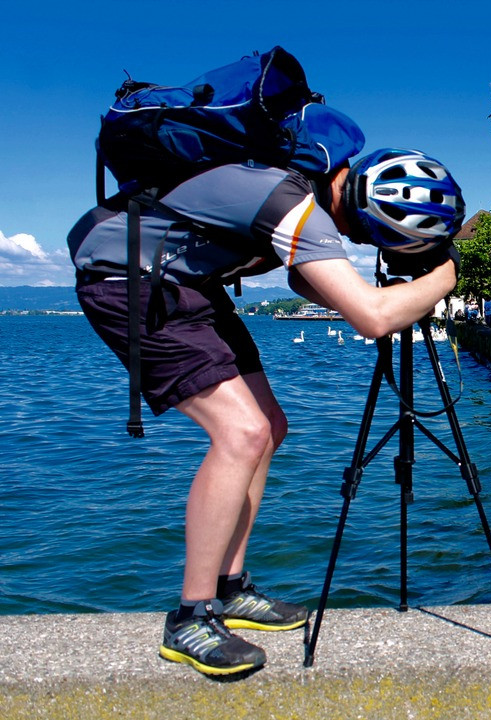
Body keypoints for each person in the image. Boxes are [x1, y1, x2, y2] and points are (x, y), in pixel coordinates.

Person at [68, 148, 463, 676]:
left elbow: (305, 280)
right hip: (129, 282)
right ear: (366, 209)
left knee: (269, 426)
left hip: (188, 285)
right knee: (242, 433)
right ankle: (190, 616)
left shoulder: (300, 194)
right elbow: (372, 319)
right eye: (371, 236)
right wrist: (444, 276)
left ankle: (230, 589)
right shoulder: (289, 201)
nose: (360, 243)